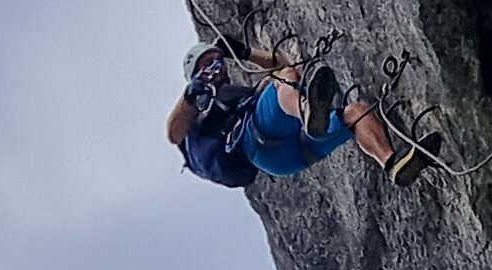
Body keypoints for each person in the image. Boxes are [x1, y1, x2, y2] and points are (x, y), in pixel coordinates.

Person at [168, 41, 403, 189]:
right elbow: (172, 133)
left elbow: (285, 64)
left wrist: (245, 52)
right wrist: (190, 94)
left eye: (218, 60)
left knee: (357, 113)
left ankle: (392, 163)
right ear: (196, 74)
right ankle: (307, 113)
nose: (216, 66)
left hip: (284, 160)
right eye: (207, 64)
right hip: (255, 141)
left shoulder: (241, 95)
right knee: (285, 78)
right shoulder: (200, 107)